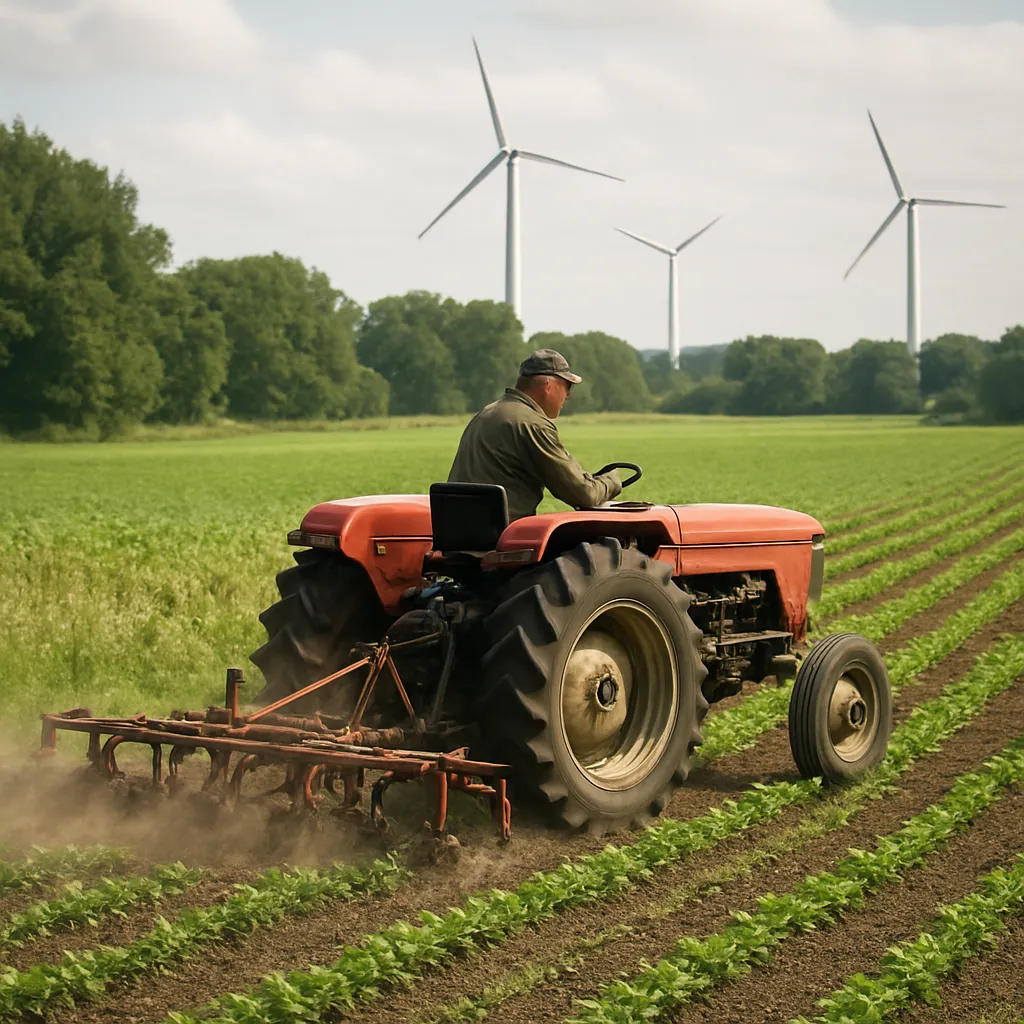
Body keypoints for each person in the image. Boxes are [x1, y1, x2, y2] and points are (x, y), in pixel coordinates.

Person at [447, 348, 623, 521]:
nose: (568, 395)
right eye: (567, 387)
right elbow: (583, 494)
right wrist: (611, 481)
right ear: (548, 386)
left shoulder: (488, 412)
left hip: (460, 530)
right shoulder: (532, 424)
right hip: (502, 535)